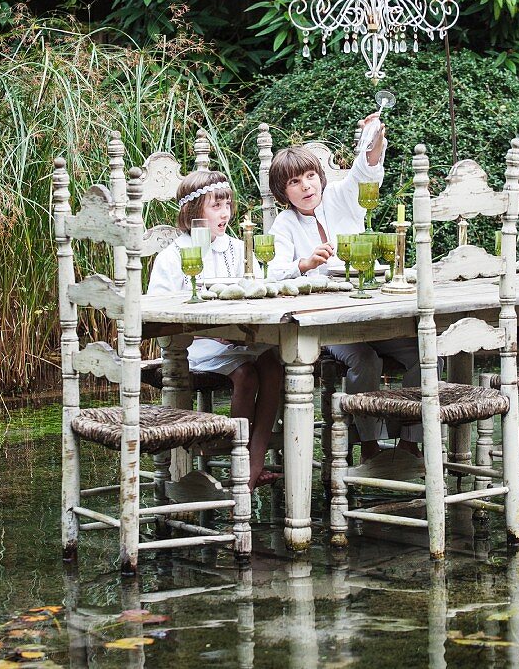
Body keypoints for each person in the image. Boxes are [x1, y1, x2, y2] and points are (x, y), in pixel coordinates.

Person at [268, 113, 420, 461]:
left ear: (320, 178)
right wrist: (303, 264)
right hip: (331, 326)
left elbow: (366, 169)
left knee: (423, 352)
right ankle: (368, 443)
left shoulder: (341, 196)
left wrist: (375, 135)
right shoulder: (285, 225)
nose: (306, 186)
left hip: (369, 310)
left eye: (310, 177)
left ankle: (411, 441)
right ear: (283, 192)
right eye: (294, 182)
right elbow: (272, 275)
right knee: (365, 359)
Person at [149, 170, 282, 489]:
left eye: (227, 204)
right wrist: (210, 331)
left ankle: (256, 457)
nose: (225, 213)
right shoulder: (173, 256)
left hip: (238, 339)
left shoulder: (236, 248)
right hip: (194, 344)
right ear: (193, 212)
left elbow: (252, 290)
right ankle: (238, 461)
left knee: (275, 365)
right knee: (247, 374)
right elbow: (157, 311)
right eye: (216, 206)